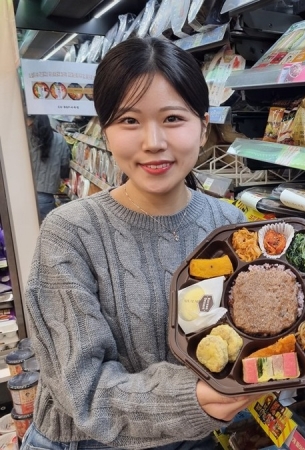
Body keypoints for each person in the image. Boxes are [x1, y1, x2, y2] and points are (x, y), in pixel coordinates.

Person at [23, 38, 258, 450]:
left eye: (172, 118)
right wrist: (193, 398)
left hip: (194, 436)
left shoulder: (231, 225)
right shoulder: (70, 232)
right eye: (129, 121)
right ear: (106, 129)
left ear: (203, 127)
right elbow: (84, 392)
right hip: (84, 442)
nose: (153, 141)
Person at [26, 115, 71, 222]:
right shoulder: (59, 139)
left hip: (24, 195)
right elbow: (65, 165)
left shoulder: (26, 139)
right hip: (46, 198)